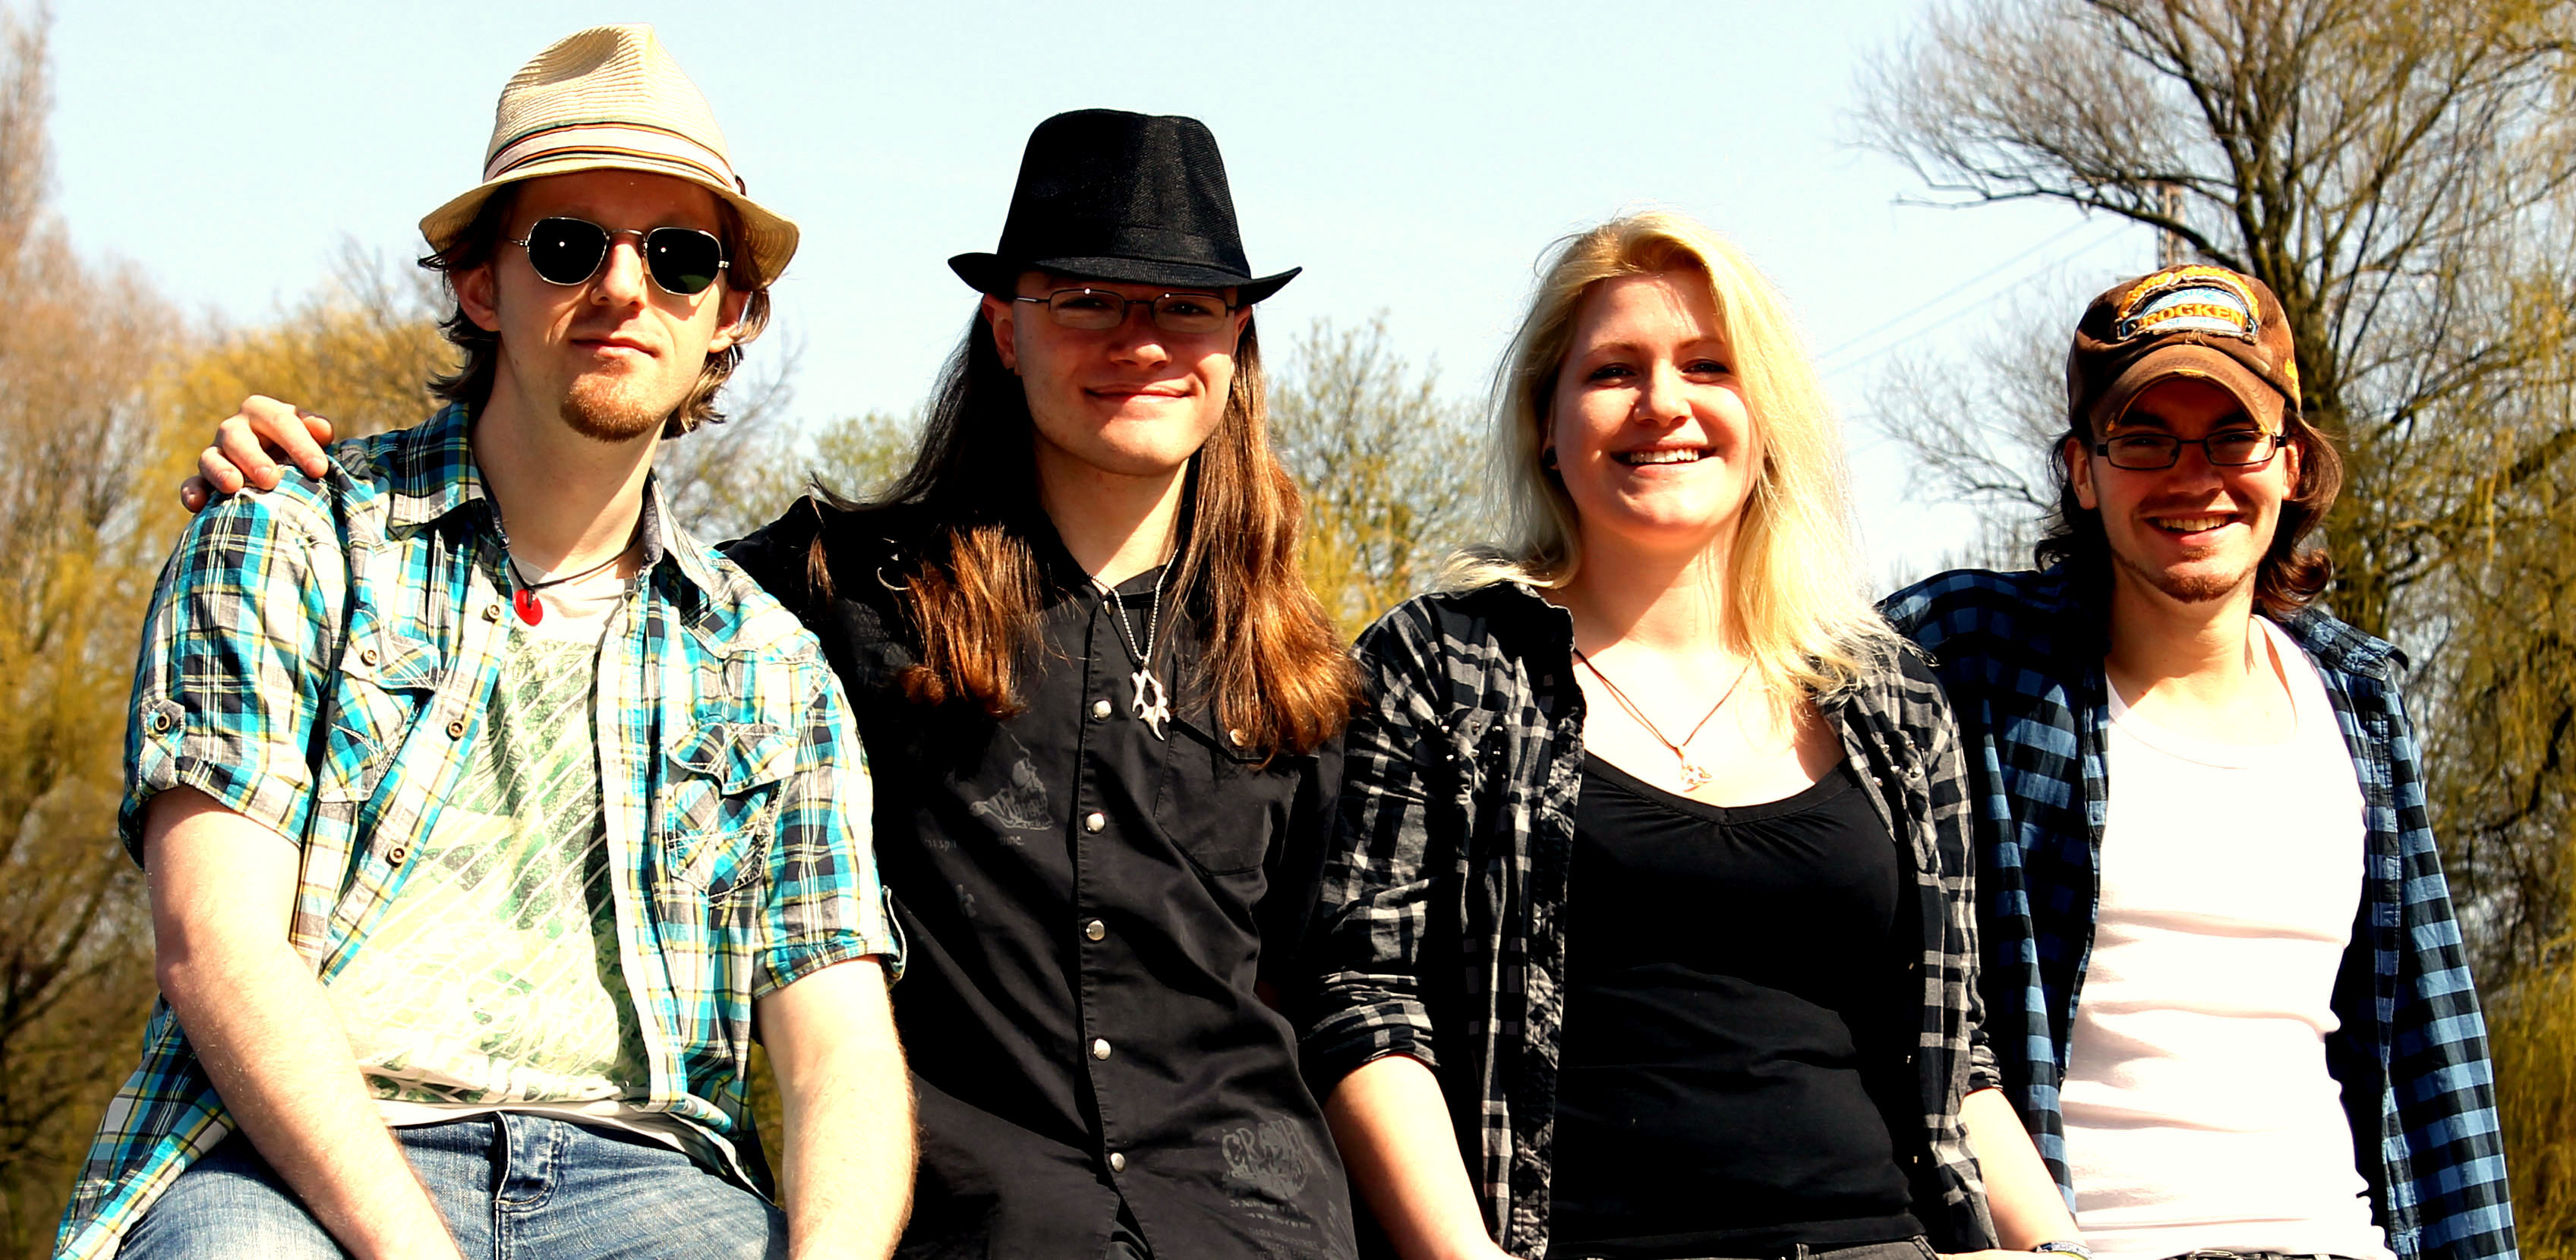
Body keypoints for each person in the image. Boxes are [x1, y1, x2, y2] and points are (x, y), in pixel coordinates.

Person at [185, 109, 1357, 1260]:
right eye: (1089, 299)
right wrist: (282, 480)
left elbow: (1337, 994)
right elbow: (572, 539)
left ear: (1237, 337)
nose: (1141, 342)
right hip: (987, 1225)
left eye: (1187, 307)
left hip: (1249, 1224)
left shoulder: (1303, 675)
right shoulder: (823, 602)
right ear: (1006, 329)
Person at [69, 26, 911, 1260]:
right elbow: (215, 942)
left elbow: (840, 1051)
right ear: (480, 284)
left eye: (678, 256)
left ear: (728, 311)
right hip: (287, 1156)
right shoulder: (291, 543)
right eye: (568, 245)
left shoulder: (771, 668)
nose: (623, 288)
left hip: (646, 1183)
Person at [1302, 211, 2079, 1260]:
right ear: (1545, 423)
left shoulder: (1889, 698)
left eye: (1707, 366)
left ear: (1765, 417)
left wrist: (2057, 1253)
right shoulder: (1441, 668)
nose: (1662, 402)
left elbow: (1957, 1054)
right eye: (1612, 371)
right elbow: (1362, 999)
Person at [1881, 264, 2516, 1260]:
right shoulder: (1967, 660)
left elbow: (2430, 1050)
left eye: (2232, 436)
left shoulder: (2359, 700)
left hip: (2339, 1241)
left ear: (2290, 464)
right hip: (2084, 1247)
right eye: (2143, 439)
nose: (2192, 477)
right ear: (2081, 471)